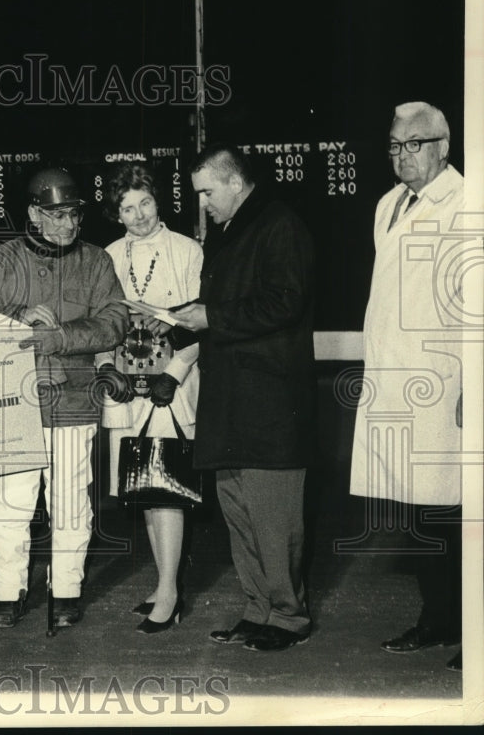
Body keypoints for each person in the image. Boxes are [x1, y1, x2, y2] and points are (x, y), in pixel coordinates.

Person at [0, 167, 128, 629]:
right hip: (13, 406)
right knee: (10, 503)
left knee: (71, 503)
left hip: (74, 401)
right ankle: (8, 594)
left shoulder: (96, 262)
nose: (67, 224)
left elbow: (115, 322)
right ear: (33, 213)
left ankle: (66, 590)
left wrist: (60, 337)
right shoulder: (2, 260)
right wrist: (16, 318)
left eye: (73, 214)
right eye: (55, 214)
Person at [171, 144, 316, 652]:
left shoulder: (279, 224)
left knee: (275, 520)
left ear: (236, 182)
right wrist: (179, 318)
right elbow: (229, 306)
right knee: (240, 515)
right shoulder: (230, 231)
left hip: (270, 406)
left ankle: (289, 617)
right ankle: (258, 609)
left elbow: (285, 301)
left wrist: (209, 317)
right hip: (231, 403)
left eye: (207, 192)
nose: (203, 203)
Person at [349, 102, 467, 672]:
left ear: (443, 145)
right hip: (396, 383)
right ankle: (439, 618)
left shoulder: (469, 203)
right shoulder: (388, 206)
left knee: (463, 512)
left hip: (449, 386)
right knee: (420, 512)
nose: (402, 156)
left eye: (413, 144)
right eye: (394, 146)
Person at [98, 163, 202, 634]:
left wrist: (177, 372)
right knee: (143, 484)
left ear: (158, 202)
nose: (138, 215)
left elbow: (204, 323)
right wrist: (106, 369)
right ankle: (164, 585)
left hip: (170, 389)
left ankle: (170, 592)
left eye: (145, 203)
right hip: (126, 388)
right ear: (116, 213)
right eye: (127, 207)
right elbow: (101, 324)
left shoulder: (187, 250)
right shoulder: (108, 255)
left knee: (167, 489)